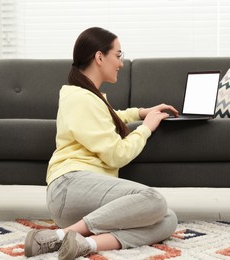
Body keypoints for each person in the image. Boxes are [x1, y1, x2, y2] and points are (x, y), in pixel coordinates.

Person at [24, 27, 179, 259]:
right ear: (99, 57)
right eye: (118, 55)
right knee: (153, 200)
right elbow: (117, 154)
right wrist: (146, 129)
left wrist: (141, 112)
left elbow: (110, 118)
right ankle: (57, 236)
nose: (121, 63)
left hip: (87, 199)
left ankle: (85, 244)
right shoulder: (80, 98)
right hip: (71, 187)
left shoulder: (89, 97)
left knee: (167, 218)